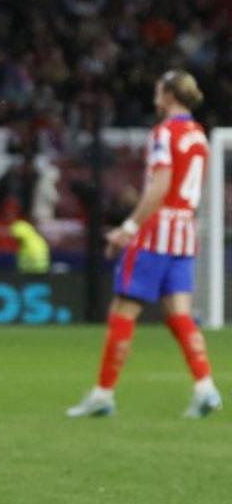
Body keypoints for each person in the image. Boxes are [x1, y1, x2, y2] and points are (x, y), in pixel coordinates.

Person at [67, 71, 221, 419]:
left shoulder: (165, 133)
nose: (154, 98)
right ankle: (205, 386)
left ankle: (103, 393)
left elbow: (162, 184)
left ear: (168, 95)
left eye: (157, 91)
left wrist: (128, 227)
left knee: (123, 311)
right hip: (185, 232)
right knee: (179, 313)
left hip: (156, 233)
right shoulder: (199, 135)